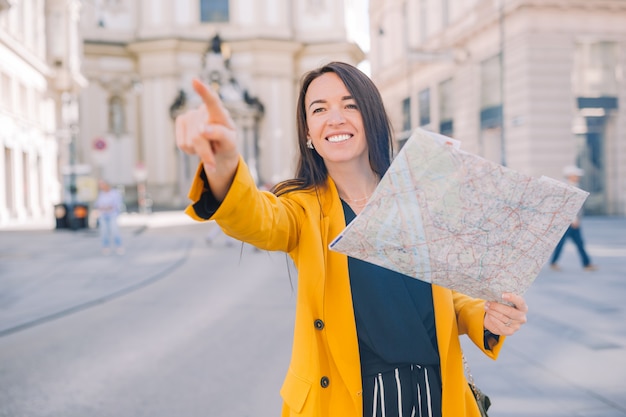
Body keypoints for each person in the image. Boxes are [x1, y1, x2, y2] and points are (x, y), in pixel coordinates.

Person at [175, 61, 528, 417]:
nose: (335, 117)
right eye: (319, 109)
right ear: (309, 133)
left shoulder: (420, 195)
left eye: (350, 105)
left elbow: (447, 292)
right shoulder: (302, 208)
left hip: (435, 395)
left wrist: (483, 315)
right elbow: (256, 218)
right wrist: (223, 166)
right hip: (350, 400)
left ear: (371, 117)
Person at [550, 165, 597, 271]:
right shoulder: (566, 187)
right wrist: (574, 220)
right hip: (568, 222)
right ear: (570, 175)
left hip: (573, 222)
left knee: (579, 243)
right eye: (576, 175)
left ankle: (587, 264)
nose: (578, 176)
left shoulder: (575, 185)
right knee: (563, 243)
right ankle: (554, 263)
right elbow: (568, 206)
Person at [93, 179, 124, 255]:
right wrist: (101, 208)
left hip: (112, 215)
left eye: (102, 184)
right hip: (103, 215)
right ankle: (105, 247)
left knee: (115, 231)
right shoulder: (101, 194)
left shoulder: (114, 193)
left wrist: (108, 207)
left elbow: (117, 204)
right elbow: (97, 204)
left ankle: (119, 246)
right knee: (104, 232)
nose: (101, 186)